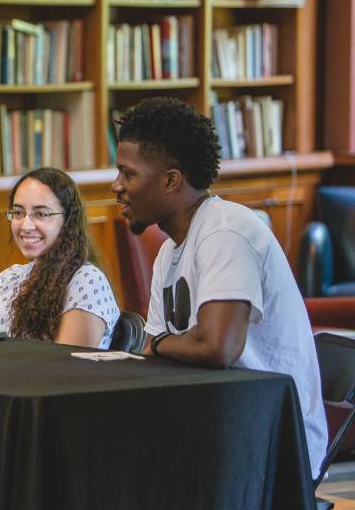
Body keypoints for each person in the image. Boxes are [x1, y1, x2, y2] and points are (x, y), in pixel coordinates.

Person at [111, 96, 327, 477]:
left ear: (171, 181)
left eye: (128, 174)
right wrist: (161, 346)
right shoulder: (170, 251)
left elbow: (218, 346)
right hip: (215, 424)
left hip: (271, 443)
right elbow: (151, 354)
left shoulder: (226, 231)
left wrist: (162, 344)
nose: (117, 186)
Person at [0, 168, 118, 348]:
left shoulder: (87, 281)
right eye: (18, 213)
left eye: (41, 214)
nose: (26, 226)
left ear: (68, 221)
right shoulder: (7, 279)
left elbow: (67, 368)